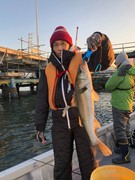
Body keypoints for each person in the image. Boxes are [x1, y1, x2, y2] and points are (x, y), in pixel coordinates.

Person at [35, 26, 114, 179]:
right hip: (59, 120)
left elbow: (105, 61)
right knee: (61, 164)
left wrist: (101, 38)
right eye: (55, 44)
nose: (59, 47)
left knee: (88, 160)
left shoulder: (82, 60)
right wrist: (40, 127)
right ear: (52, 47)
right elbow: (41, 99)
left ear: (69, 44)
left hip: (81, 116)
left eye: (62, 43)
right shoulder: (47, 70)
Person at [105, 52, 135, 164]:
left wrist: (117, 74)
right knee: (126, 126)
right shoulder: (132, 71)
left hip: (119, 105)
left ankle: (125, 156)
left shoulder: (120, 72)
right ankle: (125, 147)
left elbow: (108, 86)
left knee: (119, 130)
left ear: (119, 63)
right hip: (128, 104)